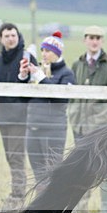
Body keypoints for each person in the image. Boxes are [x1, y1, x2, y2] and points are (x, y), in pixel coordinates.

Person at [68, 25, 107, 213]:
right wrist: (73, 110)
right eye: (91, 37)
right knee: (81, 165)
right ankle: (80, 207)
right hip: (79, 123)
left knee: (104, 165)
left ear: (102, 41)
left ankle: (105, 209)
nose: (94, 41)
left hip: (101, 125)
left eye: (98, 38)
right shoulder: (78, 64)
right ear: (85, 40)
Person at [19, 31, 76, 192]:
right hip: (33, 128)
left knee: (53, 171)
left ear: (57, 53)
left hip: (53, 130)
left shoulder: (67, 73)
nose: (44, 54)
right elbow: (24, 98)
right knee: (37, 174)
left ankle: (54, 205)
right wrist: (23, 77)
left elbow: (61, 100)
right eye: (42, 50)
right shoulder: (37, 71)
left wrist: (42, 78)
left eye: (48, 51)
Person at [0, 22, 34, 211]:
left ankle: (17, 197)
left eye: (13, 35)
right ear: (1, 39)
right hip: (3, 119)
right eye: (7, 36)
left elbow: (34, 84)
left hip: (19, 118)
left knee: (16, 157)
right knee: (10, 157)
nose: (11, 38)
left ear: (18, 36)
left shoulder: (26, 58)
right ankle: (16, 193)